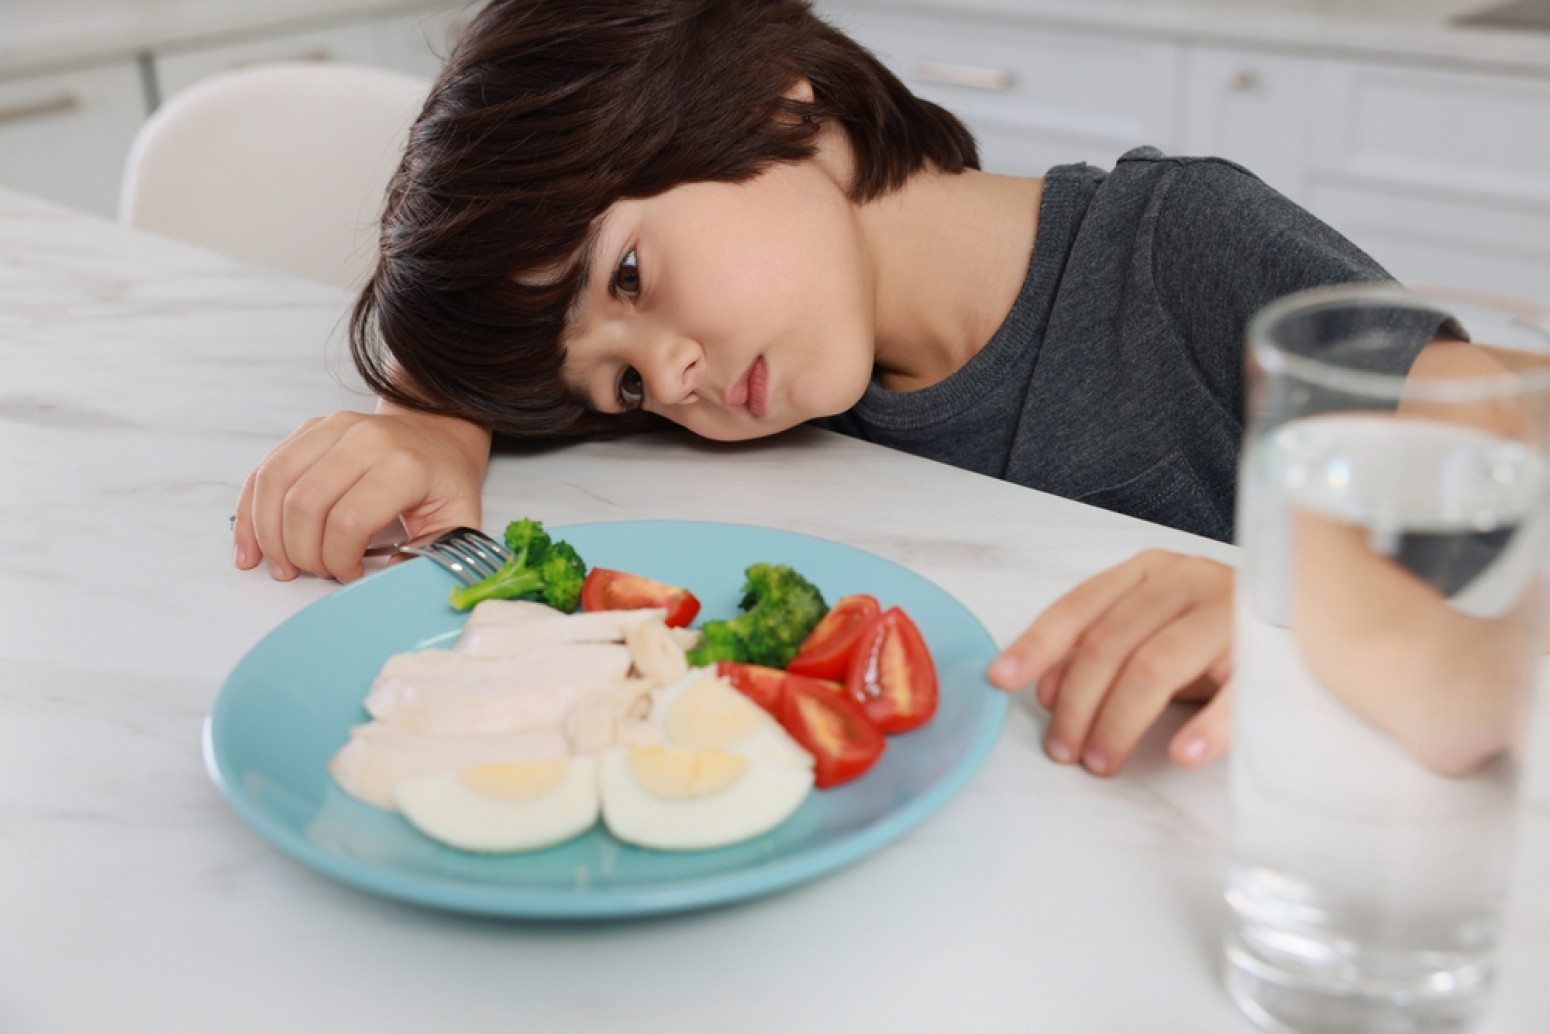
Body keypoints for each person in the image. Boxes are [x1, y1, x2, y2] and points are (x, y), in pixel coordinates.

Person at [230, 0, 1407, 778]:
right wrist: (423, 419)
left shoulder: (1185, 244)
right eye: (624, 386)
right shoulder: (788, 368)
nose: (672, 377)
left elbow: (1516, 450)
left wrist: (1313, 613)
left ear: (776, 106)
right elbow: (497, 338)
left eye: (632, 275)